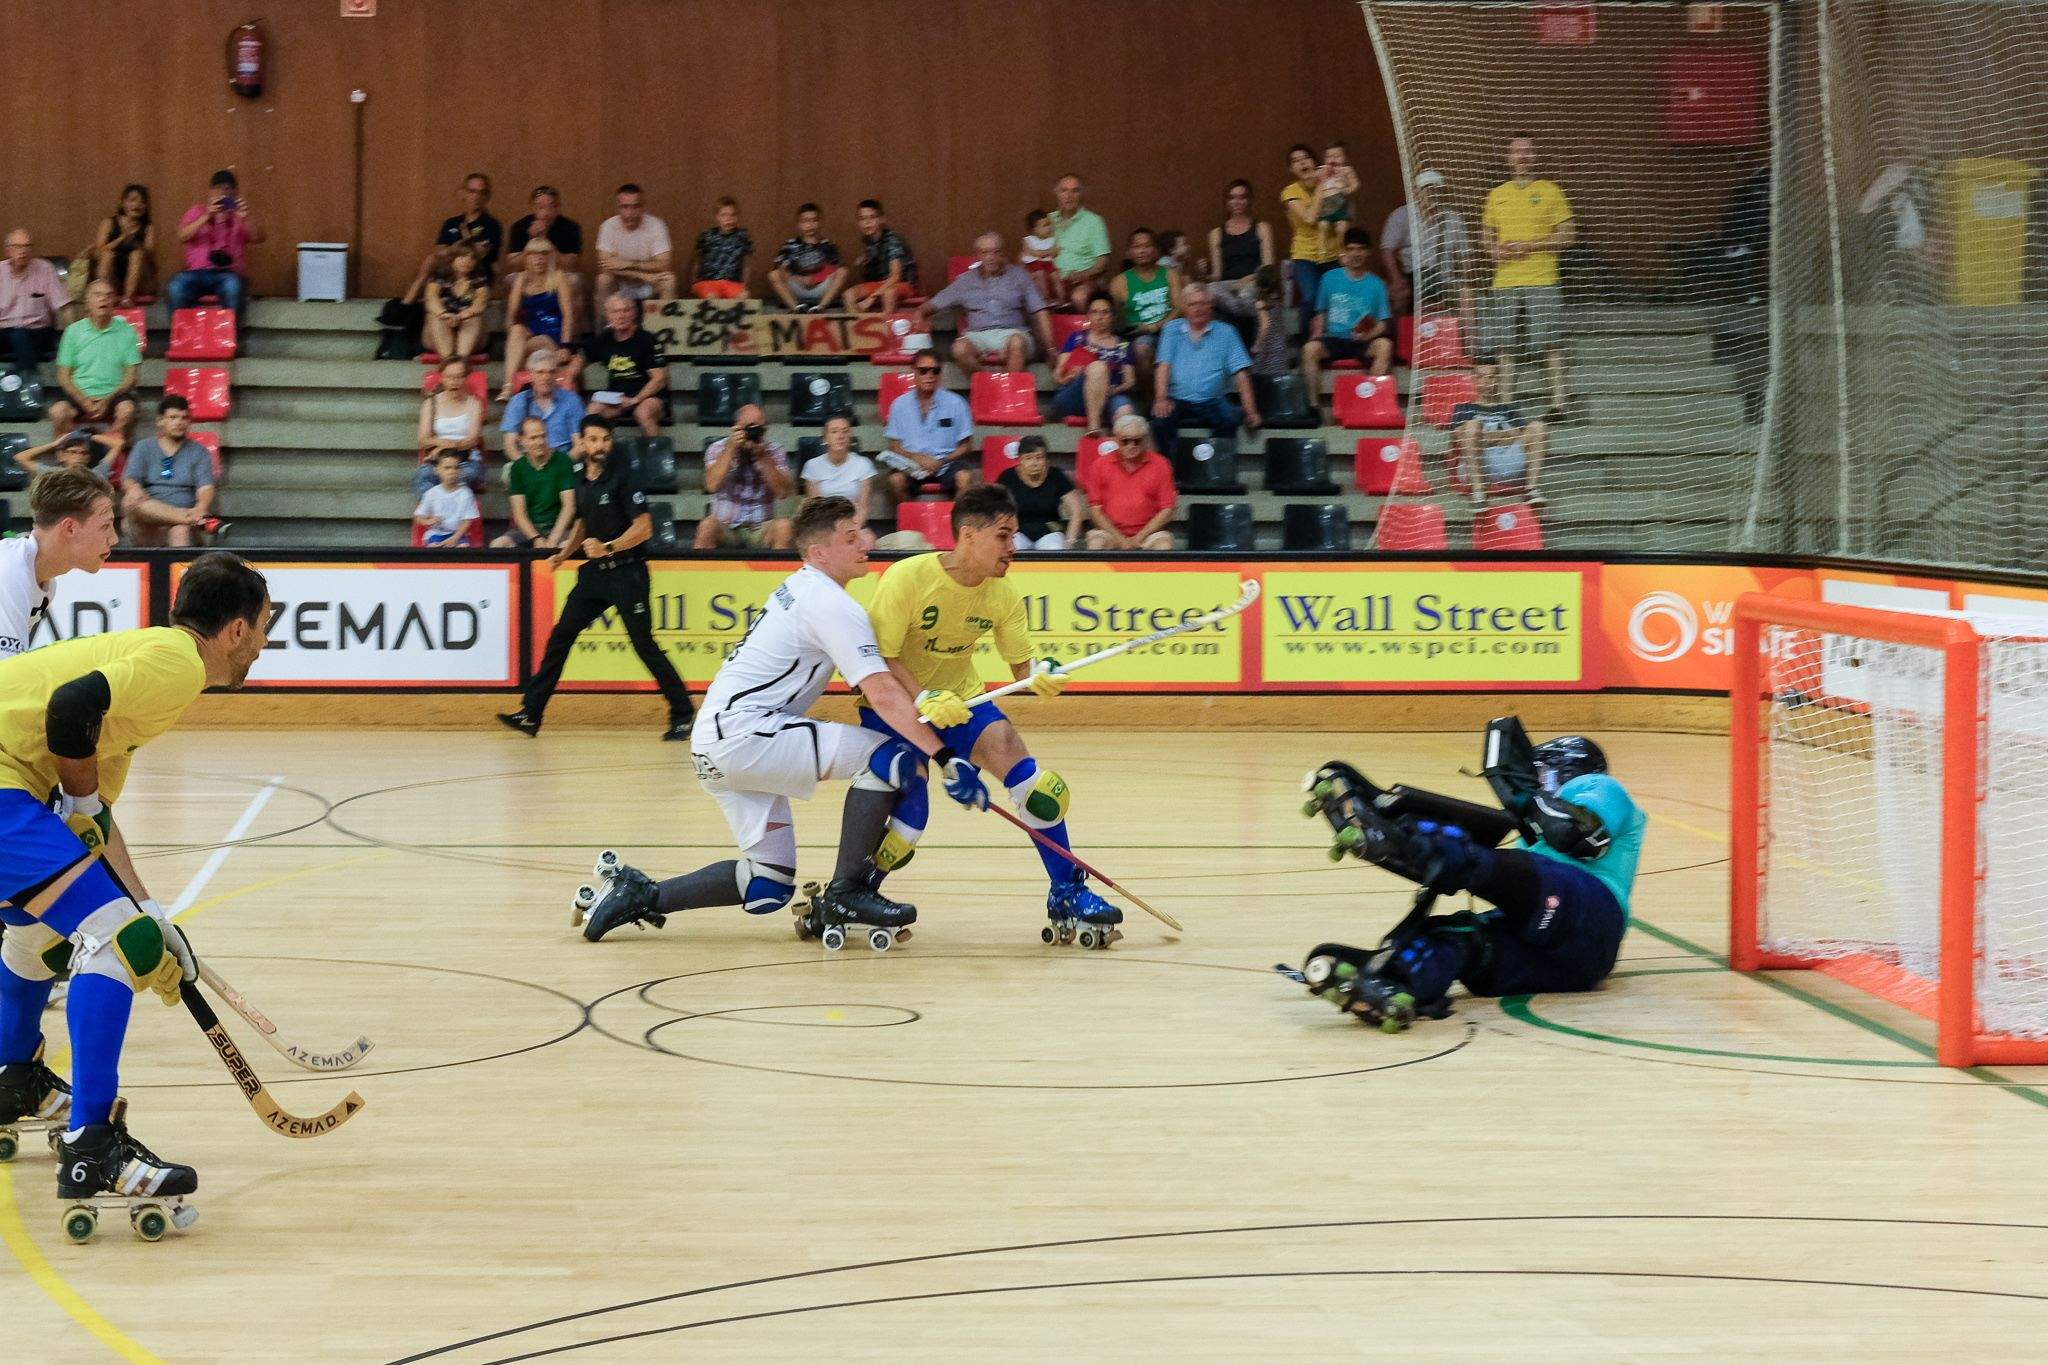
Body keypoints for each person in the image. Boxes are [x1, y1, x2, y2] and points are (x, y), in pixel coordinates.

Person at [577, 495, 992, 945]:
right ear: (819, 553)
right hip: (744, 734)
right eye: (850, 538)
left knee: (768, 883)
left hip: (718, 741)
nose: (864, 543)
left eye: (862, 534)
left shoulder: (807, 590)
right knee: (891, 757)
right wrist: (947, 755)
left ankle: (640, 894)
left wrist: (924, 700)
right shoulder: (831, 603)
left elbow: (875, 683)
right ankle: (847, 892)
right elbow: (883, 694)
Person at [0, 552, 271, 1220]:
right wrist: (135, 929)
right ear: (235, 628)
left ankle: (11, 1077)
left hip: (13, 789)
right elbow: (69, 710)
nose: (264, 643)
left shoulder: (144, 673)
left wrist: (152, 910)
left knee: (43, 935)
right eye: (264, 626)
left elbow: (95, 823)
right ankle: (93, 1145)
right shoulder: (178, 661)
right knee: (117, 943)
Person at [859, 484, 1128, 945]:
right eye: (1003, 537)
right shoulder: (907, 578)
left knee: (1038, 788)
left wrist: (1041, 673)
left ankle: (1066, 891)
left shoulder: (1002, 594)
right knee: (908, 825)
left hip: (962, 701)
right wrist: (922, 699)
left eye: (1015, 536)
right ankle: (856, 891)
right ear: (968, 535)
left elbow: (1021, 666)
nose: (1013, 548)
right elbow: (880, 657)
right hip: (896, 708)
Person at [1293, 718, 1643, 1031]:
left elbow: (1581, 836)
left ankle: (1407, 840)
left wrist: (1527, 799)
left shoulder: (1600, 787)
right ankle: (1396, 987)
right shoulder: (1532, 841)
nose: (1538, 782)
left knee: (1489, 863)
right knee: (1459, 937)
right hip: (1571, 967)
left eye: (1542, 775)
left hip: (1593, 913)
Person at [499, 415, 694, 741]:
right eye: (592, 439)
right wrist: (564, 554)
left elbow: (644, 528)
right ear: (583, 443)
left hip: (627, 573)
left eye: (604, 439)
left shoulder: (625, 478)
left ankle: (683, 714)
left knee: (644, 645)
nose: (599, 445)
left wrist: (608, 547)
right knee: (561, 636)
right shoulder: (580, 478)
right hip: (594, 577)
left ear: (610, 441)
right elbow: (582, 523)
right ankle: (531, 714)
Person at [1482, 134, 1576, 420]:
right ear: (1508, 159)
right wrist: (1495, 249)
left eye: (1527, 151)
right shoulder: (1496, 195)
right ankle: (1506, 406)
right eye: (1516, 152)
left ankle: (1559, 405)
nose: (1522, 156)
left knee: (1550, 342)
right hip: (1505, 281)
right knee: (1505, 346)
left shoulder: (1551, 190)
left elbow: (1569, 235)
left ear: (1534, 157)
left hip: (1542, 278)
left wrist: (1531, 246)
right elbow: (1486, 238)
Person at [0, 467, 119, 659]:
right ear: (70, 528)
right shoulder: (10, 572)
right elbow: (7, 679)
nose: (114, 539)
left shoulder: (44, 580)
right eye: (105, 526)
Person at [914, 232, 1053, 377]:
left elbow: (1040, 310)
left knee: (1017, 343)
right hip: (977, 334)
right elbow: (934, 304)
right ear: (977, 256)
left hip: (1014, 332)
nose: (990, 258)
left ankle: (1008, 394)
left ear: (1003, 254)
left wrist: (1050, 348)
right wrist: (920, 313)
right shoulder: (966, 281)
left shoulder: (1019, 276)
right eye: (984, 253)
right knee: (959, 349)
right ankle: (988, 384)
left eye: (995, 252)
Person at [1147, 283, 1260, 454]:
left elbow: (1241, 373)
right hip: (1177, 398)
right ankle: (1169, 471)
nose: (1198, 309)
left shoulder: (1227, 332)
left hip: (1213, 399)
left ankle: (1214, 465)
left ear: (1211, 305)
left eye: (1202, 303)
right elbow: (1163, 366)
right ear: (1184, 307)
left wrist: (1251, 411)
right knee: (1160, 420)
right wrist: (1161, 398)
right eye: (1192, 304)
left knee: (1231, 417)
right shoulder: (1171, 329)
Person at [1301, 227, 1394, 404]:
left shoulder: (1377, 284)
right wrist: (1318, 332)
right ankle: (1313, 407)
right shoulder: (1329, 278)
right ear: (1343, 252)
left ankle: (1369, 403)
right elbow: (1321, 311)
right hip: (1334, 338)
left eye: (1360, 249)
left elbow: (1383, 323)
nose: (1355, 254)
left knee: (1385, 345)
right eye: (1350, 249)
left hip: (1362, 341)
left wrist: (1368, 335)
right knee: (1309, 349)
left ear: (1368, 252)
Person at [48, 281, 140, 445]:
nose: (103, 300)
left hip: (115, 394)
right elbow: (63, 376)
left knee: (127, 411)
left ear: (114, 302)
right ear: (87, 303)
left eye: (108, 296)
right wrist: (83, 399)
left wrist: (108, 398)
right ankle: (71, 453)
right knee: (57, 412)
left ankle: (109, 451)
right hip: (79, 393)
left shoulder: (127, 331)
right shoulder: (73, 332)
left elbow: (131, 377)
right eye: (97, 295)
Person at [123, 395, 219, 547]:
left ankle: (186, 520)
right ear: (160, 421)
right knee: (131, 502)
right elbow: (130, 479)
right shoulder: (143, 447)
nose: (179, 422)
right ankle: (188, 518)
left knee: (180, 529)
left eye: (184, 418)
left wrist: (200, 507)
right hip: (150, 512)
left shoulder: (199, 452)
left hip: (186, 511)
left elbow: (205, 488)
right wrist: (133, 488)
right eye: (173, 417)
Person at [880, 349, 975, 501]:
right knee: (895, 480)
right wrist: (916, 457)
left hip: (946, 463)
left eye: (935, 371)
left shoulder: (956, 402)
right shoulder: (899, 404)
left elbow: (966, 445)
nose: (930, 376)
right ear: (914, 372)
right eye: (923, 371)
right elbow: (894, 446)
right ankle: (912, 520)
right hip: (911, 464)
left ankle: (956, 521)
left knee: (965, 477)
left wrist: (942, 461)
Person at [1451, 360, 1549, 507]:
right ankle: (1479, 494)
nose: (1486, 382)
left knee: (1538, 427)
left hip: (1510, 461)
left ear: (1497, 379)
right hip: (1480, 464)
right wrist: (1505, 435)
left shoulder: (1507, 409)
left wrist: (1485, 438)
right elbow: (1459, 439)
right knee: (1472, 426)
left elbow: (1522, 436)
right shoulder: (1463, 408)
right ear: (1474, 379)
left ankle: (1531, 490)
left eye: (1491, 377)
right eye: (1481, 377)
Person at [697, 403, 795, 550]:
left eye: (759, 429)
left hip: (761, 529)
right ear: (737, 427)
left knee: (784, 527)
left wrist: (762, 457)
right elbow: (711, 485)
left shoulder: (774, 451)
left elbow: (782, 493)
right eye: (750, 428)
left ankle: (778, 573)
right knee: (707, 526)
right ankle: (700, 573)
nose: (753, 434)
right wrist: (731, 449)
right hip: (726, 527)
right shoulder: (718, 448)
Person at [1380, 169, 1472, 324]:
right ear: (1416, 191)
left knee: (1467, 296)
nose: (1432, 193)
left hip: (1445, 279)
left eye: (1436, 189)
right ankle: (1400, 342)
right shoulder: (1401, 215)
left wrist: (1464, 279)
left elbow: (1465, 256)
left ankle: (1465, 346)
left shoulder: (1453, 219)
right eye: (1427, 189)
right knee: (1397, 295)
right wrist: (1396, 279)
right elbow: (1387, 250)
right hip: (1412, 277)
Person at [168, 169, 262, 316]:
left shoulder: (239, 216)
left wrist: (245, 218)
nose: (223, 195)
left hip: (227, 274)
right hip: (195, 273)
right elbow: (182, 236)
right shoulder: (197, 211)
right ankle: (180, 336)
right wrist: (206, 216)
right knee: (176, 286)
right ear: (210, 192)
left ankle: (232, 336)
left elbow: (259, 237)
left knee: (233, 286)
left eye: (228, 191)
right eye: (218, 190)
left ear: (235, 194)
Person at [400, 173, 501, 308]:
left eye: (481, 193)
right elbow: (439, 251)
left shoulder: (491, 224)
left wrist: (458, 245)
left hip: (476, 274)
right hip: (450, 272)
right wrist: (456, 248)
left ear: (487, 197)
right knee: (431, 259)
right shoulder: (451, 223)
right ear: (463, 193)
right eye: (472, 191)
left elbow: (480, 253)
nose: (476, 196)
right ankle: (406, 303)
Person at [1083, 413, 1176, 551]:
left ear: (1145, 440)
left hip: (1150, 534)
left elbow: (1167, 510)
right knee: (1096, 543)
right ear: (1115, 439)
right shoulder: (1100, 465)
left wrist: (1139, 538)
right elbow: (1095, 511)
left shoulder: (1161, 464)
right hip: (1110, 533)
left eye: (1137, 441)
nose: (1131, 446)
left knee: (1164, 546)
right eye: (1125, 441)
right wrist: (1120, 540)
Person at [582, 293, 668, 438]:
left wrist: (636, 400)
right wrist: (571, 374)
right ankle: (599, 456)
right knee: (593, 410)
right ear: (608, 315)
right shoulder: (604, 339)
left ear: (634, 312)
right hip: (618, 399)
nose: (621, 316)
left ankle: (657, 458)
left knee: (643, 412)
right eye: (615, 311)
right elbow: (582, 356)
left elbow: (659, 378)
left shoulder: (647, 339)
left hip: (649, 398)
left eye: (626, 310)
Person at [501, 242, 579, 401]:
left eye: (544, 254)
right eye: (534, 254)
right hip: (531, 331)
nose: (539, 258)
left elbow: (568, 316)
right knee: (516, 329)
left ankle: (511, 385)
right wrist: (512, 338)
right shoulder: (521, 278)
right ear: (526, 257)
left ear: (550, 257)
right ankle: (508, 385)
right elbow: (511, 314)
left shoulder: (558, 277)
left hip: (553, 335)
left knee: (539, 340)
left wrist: (565, 345)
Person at [1049, 293, 1135, 434]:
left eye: (1105, 312)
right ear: (1088, 316)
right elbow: (1058, 374)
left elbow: (1130, 381)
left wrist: (1111, 391)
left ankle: (1118, 452)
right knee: (1099, 367)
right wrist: (1067, 378)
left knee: (1126, 412)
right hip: (1074, 395)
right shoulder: (1076, 338)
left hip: (1109, 396)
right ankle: (1094, 428)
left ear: (1113, 317)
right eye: (1094, 312)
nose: (1099, 317)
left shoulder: (1123, 345)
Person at [1110, 227, 1181, 399]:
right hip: (1138, 335)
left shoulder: (1169, 274)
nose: (1142, 251)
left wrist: (1157, 325)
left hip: (1170, 330)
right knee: (1141, 348)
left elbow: (1180, 308)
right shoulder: (1120, 282)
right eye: (1137, 247)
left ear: (1156, 250)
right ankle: (1152, 403)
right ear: (1129, 252)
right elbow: (1116, 321)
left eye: (1147, 246)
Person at [593, 182, 676, 319]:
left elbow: (665, 264)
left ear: (643, 207)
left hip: (649, 283)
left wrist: (627, 264)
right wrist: (641, 275)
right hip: (621, 282)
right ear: (618, 208)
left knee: (669, 280)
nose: (630, 213)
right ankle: (604, 334)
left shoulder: (656, 225)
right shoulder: (608, 226)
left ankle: (662, 332)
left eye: (635, 207)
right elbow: (605, 266)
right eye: (625, 207)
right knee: (603, 280)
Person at [493, 416, 578, 549]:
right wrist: (536, 538)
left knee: (566, 546)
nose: (540, 442)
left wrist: (553, 538)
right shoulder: (518, 468)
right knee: (498, 545)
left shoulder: (563, 461)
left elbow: (569, 506)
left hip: (560, 529)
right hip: (528, 531)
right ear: (521, 441)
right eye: (533, 438)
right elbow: (519, 513)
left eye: (543, 436)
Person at [1281, 145, 1339, 340]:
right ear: (1291, 169)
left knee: (1335, 299)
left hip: (1331, 252)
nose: (1303, 162)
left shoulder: (1331, 184)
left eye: (1306, 158)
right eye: (1296, 161)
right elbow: (1309, 218)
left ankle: (1333, 340)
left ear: (1315, 162)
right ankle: (1306, 343)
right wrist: (1322, 186)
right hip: (1304, 254)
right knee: (1311, 297)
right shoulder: (1290, 192)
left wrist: (1329, 182)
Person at [1208, 179, 1274, 329]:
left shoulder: (1262, 228)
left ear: (1249, 200)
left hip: (1254, 282)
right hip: (1227, 287)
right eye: (1232, 198)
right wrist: (1204, 276)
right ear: (1227, 201)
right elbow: (1217, 275)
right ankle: (1247, 313)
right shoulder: (1216, 233)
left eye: (1242, 197)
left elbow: (1268, 269)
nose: (1237, 202)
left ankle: (1242, 319)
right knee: (1208, 290)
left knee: (1246, 293)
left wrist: (1245, 280)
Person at [415, 357, 486, 497]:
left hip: (466, 460)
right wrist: (441, 444)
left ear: (466, 378)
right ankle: (436, 515)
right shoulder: (431, 404)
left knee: (461, 477)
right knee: (422, 476)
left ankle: (448, 514)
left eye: (459, 377)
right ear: (442, 378)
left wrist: (446, 448)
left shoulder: (474, 404)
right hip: (437, 460)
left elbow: (472, 440)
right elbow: (423, 440)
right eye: (449, 377)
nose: (454, 381)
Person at [0, 229, 68, 374]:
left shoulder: (44, 269)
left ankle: (27, 384)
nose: (23, 251)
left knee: (20, 336)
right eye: (17, 247)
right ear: (8, 251)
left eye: (27, 246)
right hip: (4, 332)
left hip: (37, 332)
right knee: (16, 335)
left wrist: (73, 335)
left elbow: (63, 306)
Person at [997, 436, 1081, 551]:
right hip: (1018, 533)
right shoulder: (1007, 477)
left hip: (1050, 533)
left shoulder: (1056, 476)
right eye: (1028, 458)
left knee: (1056, 550)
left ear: (1046, 460)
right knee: (1012, 548)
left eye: (1039, 457)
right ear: (1020, 460)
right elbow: (995, 510)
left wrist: (1070, 541)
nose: (1034, 463)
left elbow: (1076, 511)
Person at [498, 349, 585, 460]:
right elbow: (510, 446)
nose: (546, 377)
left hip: (563, 461)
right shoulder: (518, 401)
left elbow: (579, 445)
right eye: (540, 372)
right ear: (530, 375)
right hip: (528, 463)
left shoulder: (572, 401)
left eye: (551, 372)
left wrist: (559, 469)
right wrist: (528, 470)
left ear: (557, 374)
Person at [768, 204, 848, 312]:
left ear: (820, 223)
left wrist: (815, 279)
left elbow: (833, 267)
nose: (810, 225)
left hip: (820, 288)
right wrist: (799, 278)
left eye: (814, 220)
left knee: (842, 271)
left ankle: (820, 307)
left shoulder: (828, 245)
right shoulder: (790, 244)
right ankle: (796, 308)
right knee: (774, 274)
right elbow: (782, 267)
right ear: (798, 224)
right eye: (805, 221)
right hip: (797, 288)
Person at [1048, 174, 1111, 308]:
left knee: (1079, 296)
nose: (1069, 196)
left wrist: (1081, 275)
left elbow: (1102, 262)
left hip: (1083, 281)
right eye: (1064, 190)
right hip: (1052, 280)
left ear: (1081, 194)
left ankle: (1083, 329)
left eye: (1074, 191)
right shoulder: (1047, 221)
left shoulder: (1094, 221)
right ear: (1056, 193)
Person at [800, 414, 877, 524]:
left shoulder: (863, 464)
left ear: (850, 437)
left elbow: (863, 507)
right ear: (825, 438)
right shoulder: (812, 465)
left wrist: (852, 529)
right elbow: (816, 508)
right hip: (823, 524)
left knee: (868, 538)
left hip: (853, 522)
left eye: (845, 431)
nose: (840, 436)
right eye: (834, 431)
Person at [87, 186, 156, 306]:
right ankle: (104, 295)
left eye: (142, 202)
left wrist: (134, 241)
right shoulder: (109, 222)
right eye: (133, 200)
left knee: (136, 254)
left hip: (138, 279)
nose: (137, 205)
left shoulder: (148, 227)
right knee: (107, 255)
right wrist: (122, 238)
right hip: (112, 277)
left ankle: (127, 299)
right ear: (122, 203)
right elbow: (98, 252)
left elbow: (149, 256)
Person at [846, 199, 918, 313]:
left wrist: (871, 299)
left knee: (888, 293)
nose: (867, 222)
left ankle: (885, 329)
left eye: (872, 217)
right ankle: (859, 327)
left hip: (903, 284)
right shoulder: (868, 240)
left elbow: (896, 276)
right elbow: (871, 276)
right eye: (862, 218)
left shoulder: (892, 241)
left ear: (881, 219)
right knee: (849, 294)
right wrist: (863, 264)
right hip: (881, 284)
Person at [422, 245, 489, 363]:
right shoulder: (439, 277)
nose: (467, 261)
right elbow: (430, 298)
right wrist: (444, 314)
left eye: (471, 258)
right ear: (453, 258)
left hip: (471, 337)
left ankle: (460, 363)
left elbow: (481, 302)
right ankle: (448, 362)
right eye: (462, 257)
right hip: (438, 335)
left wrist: (464, 315)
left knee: (475, 317)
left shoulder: (479, 280)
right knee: (433, 316)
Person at [505, 186, 583, 278]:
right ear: (532, 208)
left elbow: (571, 266)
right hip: (528, 273)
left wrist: (545, 240)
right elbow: (513, 266)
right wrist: (532, 242)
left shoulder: (570, 227)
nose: (546, 212)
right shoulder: (519, 226)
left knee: (576, 280)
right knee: (510, 279)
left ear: (557, 208)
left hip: (559, 273)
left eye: (551, 206)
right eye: (540, 207)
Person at [689, 198, 753, 299]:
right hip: (708, 281)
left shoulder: (742, 236)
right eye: (724, 215)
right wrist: (694, 282)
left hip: (732, 282)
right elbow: (697, 262)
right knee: (711, 297)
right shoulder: (706, 236)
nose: (729, 219)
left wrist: (745, 285)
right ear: (717, 217)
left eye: (733, 215)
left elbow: (747, 265)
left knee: (743, 296)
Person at [414, 450, 479, 548]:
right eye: (447, 468)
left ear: (460, 471)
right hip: (436, 534)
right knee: (433, 547)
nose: (452, 472)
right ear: (437, 470)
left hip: (458, 534)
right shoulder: (431, 493)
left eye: (456, 468)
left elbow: (466, 521)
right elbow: (418, 517)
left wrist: (455, 538)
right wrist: (428, 521)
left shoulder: (466, 493)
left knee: (463, 547)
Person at [11, 429, 122, 480]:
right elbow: (20, 457)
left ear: (88, 458)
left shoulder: (97, 473)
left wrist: (89, 436)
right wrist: (54, 444)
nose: (79, 456)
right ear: (61, 456)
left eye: (83, 453)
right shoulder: (52, 474)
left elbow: (118, 444)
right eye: (73, 452)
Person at [1315, 141, 1360, 247]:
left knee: (1342, 228)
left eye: (1337, 156)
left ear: (1345, 159)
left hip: (1340, 203)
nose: (1333, 159)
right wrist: (1321, 174)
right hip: (1326, 204)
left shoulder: (1346, 170)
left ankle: (1341, 249)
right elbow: (1313, 178)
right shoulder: (1322, 170)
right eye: (1329, 157)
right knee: (1323, 226)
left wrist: (1348, 189)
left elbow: (1355, 184)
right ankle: (1322, 251)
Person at [1018, 208, 1061, 305]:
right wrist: (1046, 252)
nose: (1049, 228)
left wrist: (1045, 252)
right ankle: (1046, 298)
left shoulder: (1051, 239)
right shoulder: (1028, 240)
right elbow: (1033, 253)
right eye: (1045, 226)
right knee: (1040, 274)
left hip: (1048, 263)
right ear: (1035, 229)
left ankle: (1061, 299)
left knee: (1056, 276)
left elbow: (1055, 252)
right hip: (1034, 264)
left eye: (1049, 224)